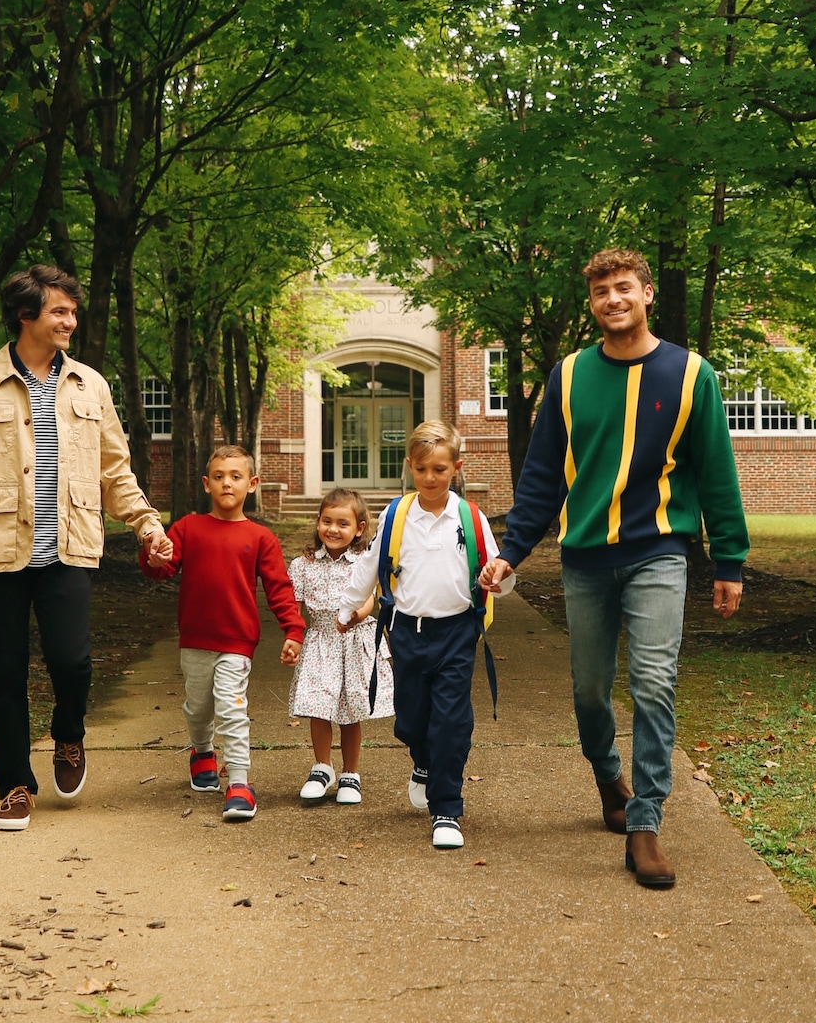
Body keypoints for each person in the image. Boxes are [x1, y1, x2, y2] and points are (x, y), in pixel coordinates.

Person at [479, 247, 749, 889]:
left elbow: (717, 471)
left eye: (624, 288)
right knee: (588, 690)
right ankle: (608, 776)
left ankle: (646, 824)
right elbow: (542, 475)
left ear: (647, 294)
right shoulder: (568, 376)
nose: (613, 301)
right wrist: (510, 550)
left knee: (654, 682)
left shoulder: (690, 375)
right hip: (587, 560)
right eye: (601, 293)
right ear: (593, 304)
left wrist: (729, 561)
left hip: (659, 551)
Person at [0, 264, 172, 833]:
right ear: (25, 315)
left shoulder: (91, 385)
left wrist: (147, 526)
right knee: (4, 672)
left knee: (72, 661)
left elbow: (116, 469)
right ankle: (15, 785)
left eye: (72, 311)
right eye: (59, 311)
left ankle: (69, 734)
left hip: (69, 548)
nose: (70, 321)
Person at [337, 421, 515, 850]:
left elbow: (500, 573)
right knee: (412, 718)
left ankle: (447, 808)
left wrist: (498, 577)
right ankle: (422, 761)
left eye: (439, 469)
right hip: (406, 633)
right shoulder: (397, 514)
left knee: (452, 719)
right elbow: (371, 564)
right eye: (422, 469)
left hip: (457, 631)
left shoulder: (470, 517)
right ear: (410, 467)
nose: (430, 478)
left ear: (456, 467)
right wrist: (348, 606)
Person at [140, 445, 304, 822]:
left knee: (231, 709)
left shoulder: (262, 538)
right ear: (206, 484)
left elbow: (279, 589)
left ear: (252, 484)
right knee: (199, 709)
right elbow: (162, 570)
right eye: (218, 477)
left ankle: (240, 783)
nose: (227, 483)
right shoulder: (187, 528)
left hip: (237, 642)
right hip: (196, 639)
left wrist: (293, 630)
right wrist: (153, 557)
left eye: (235, 476)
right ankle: (201, 752)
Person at [282, 488, 393, 807]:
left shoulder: (364, 561)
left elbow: (372, 596)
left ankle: (350, 774)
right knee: (319, 707)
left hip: (354, 640)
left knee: (349, 711)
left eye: (342, 523)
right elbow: (294, 604)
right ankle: (322, 768)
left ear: (359, 528)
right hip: (320, 641)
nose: (333, 529)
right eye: (326, 521)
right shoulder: (303, 564)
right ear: (318, 522)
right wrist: (293, 637)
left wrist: (358, 614)